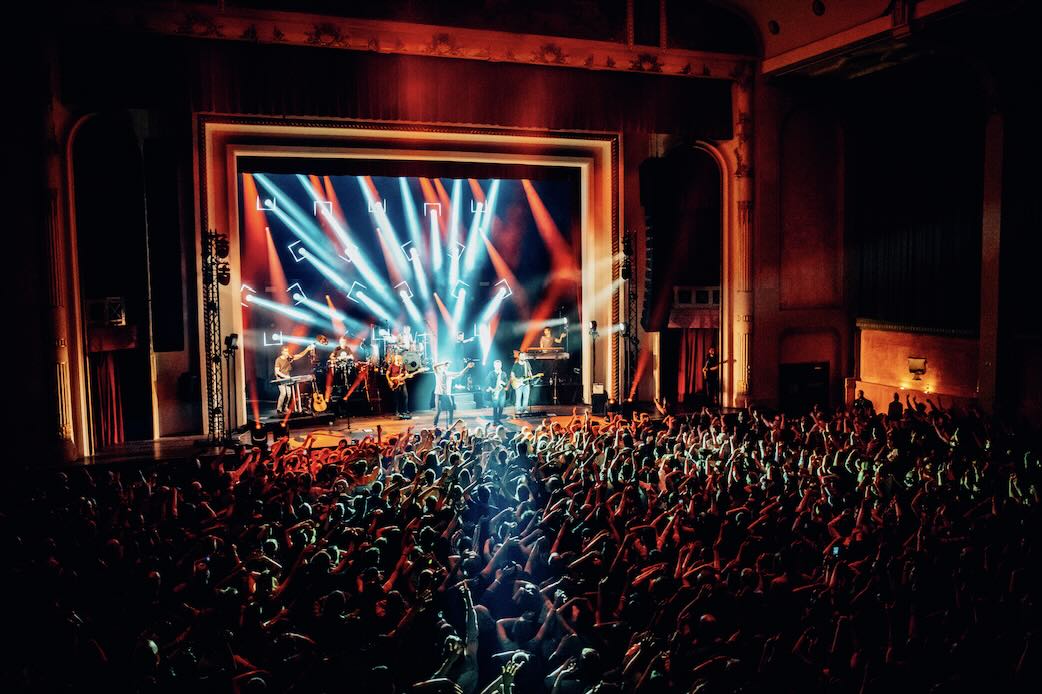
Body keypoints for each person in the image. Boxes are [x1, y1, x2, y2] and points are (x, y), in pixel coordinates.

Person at [273, 344, 313, 414]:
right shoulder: (278, 360)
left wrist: (307, 349)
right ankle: (279, 408)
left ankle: (285, 407)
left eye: (287, 351)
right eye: (285, 351)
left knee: (289, 394)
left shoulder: (289, 358)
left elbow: (299, 355)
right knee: (283, 393)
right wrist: (285, 377)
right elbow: (277, 371)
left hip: (287, 377)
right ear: (282, 352)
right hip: (280, 378)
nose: (287, 353)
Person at [432, 360, 472, 427]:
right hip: (438, 394)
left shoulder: (449, 374)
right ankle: (435, 425)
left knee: (450, 409)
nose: (446, 366)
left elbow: (460, 373)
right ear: (442, 366)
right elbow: (434, 366)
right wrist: (443, 363)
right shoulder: (438, 372)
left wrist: (467, 367)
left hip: (446, 394)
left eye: (447, 366)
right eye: (445, 365)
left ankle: (450, 424)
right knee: (438, 411)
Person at [385, 353, 411, 419]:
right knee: (396, 397)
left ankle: (405, 410)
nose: (396, 360)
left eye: (397, 359)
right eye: (396, 359)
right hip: (395, 383)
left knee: (405, 396)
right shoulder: (392, 365)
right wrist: (390, 381)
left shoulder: (403, 365)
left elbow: (406, 373)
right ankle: (396, 411)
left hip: (402, 382)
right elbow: (387, 374)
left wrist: (408, 375)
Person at [486, 359, 508, 425]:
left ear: (501, 365)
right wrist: (491, 389)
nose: (498, 366)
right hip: (495, 392)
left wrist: (503, 382)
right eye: (496, 365)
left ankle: (498, 419)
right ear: (494, 366)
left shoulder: (503, 373)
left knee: (501, 407)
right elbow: (488, 383)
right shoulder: (491, 373)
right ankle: (495, 420)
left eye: (499, 365)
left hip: (502, 392)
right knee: (495, 407)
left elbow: (506, 383)